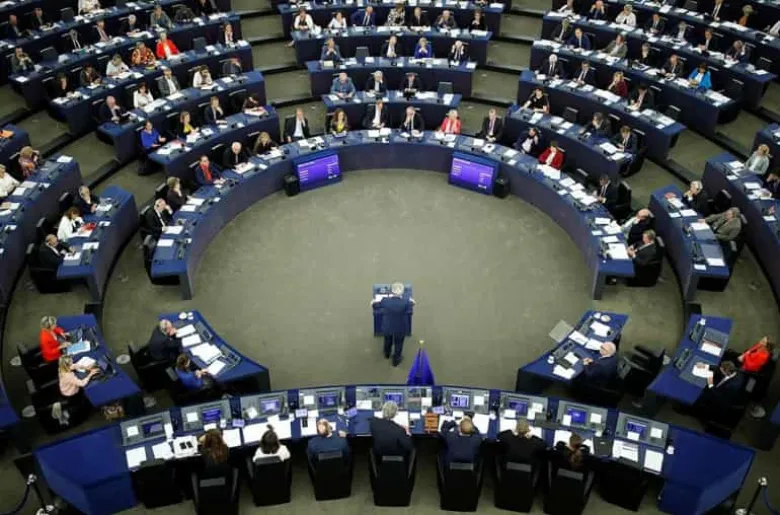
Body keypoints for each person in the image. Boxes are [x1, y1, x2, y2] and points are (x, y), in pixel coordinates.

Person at [371, 282, 415, 365]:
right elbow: (412, 304)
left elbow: (375, 306)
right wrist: (412, 302)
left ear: (392, 291)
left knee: (387, 340)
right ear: (402, 292)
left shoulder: (385, 301)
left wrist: (372, 302)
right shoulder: (406, 302)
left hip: (387, 327)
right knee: (398, 343)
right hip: (400, 328)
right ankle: (396, 360)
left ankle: (387, 354)